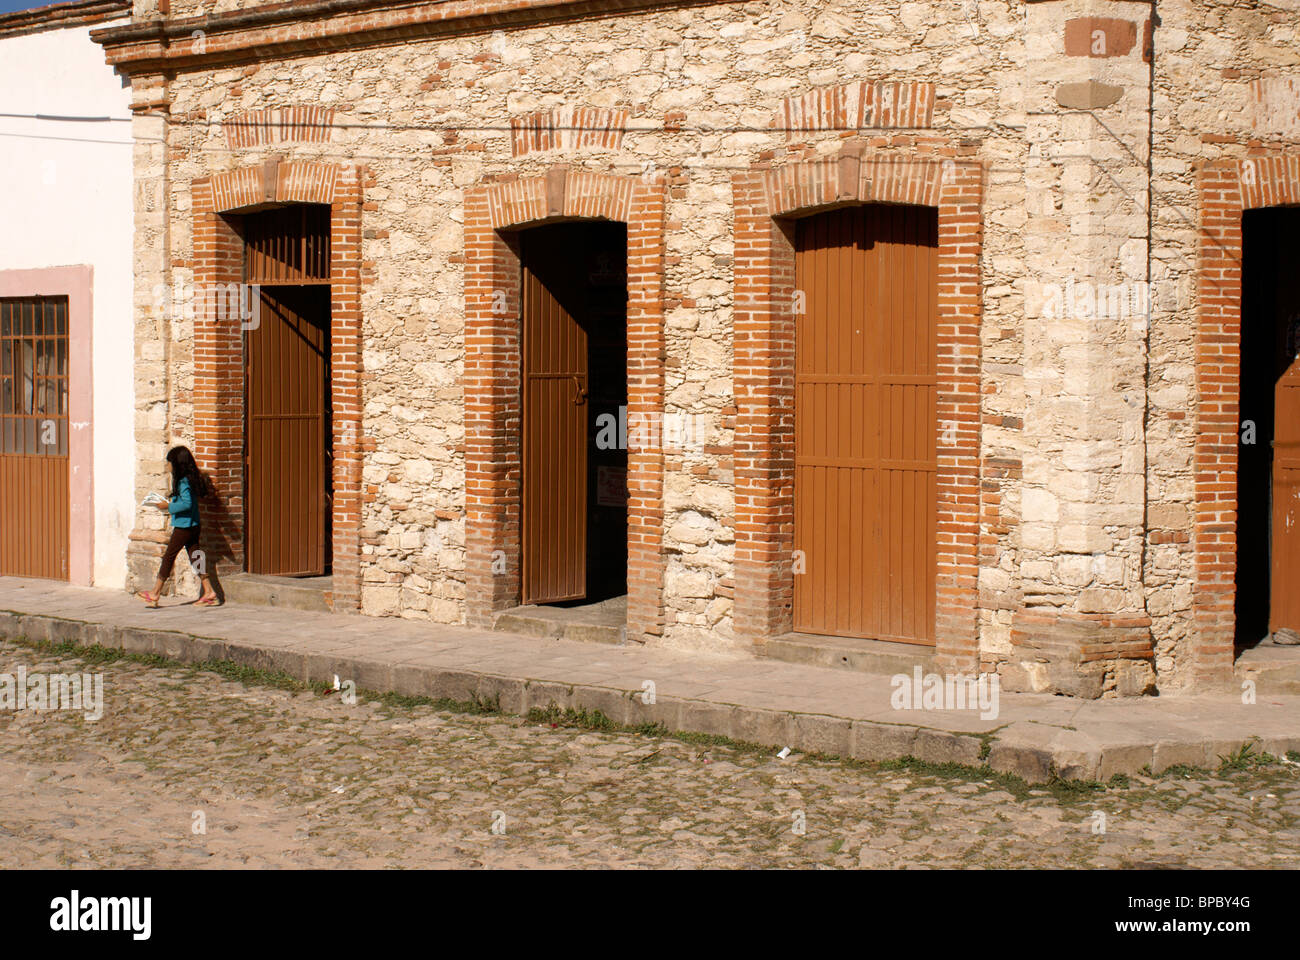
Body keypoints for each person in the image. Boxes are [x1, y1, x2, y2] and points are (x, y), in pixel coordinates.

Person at [138, 446, 220, 608]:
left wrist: (167, 506)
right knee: (195, 556)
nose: (167, 465)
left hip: (184, 526)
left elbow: (187, 504)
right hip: (193, 524)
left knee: (169, 556)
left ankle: (155, 592)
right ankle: (209, 591)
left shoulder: (183, 482)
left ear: (177, 464)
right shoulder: (190, 479)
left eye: (169, 462)